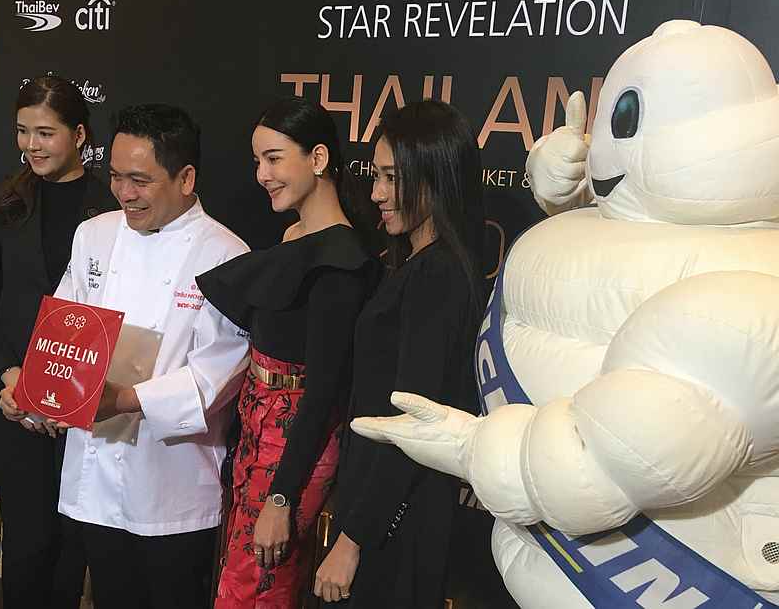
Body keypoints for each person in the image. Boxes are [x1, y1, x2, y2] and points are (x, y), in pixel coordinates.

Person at [37, 103, 249, 609]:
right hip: (93, 474)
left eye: (140, 180)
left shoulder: (225, 255)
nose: (124, 193)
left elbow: (216, 377)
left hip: (171, 483)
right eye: (115, 176)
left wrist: (125, 399)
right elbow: (65, 328)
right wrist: (38, 387)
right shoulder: (94, 235)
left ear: (186, 178)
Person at [196, 98, 379, 608]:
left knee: (256, 589)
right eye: (258, 161)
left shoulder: (341, 263)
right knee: (242, 581)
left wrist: (282, 497)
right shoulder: (295, 234)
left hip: (293, 446)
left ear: (318, 158)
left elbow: (324, 393)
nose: (262, 174)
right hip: (256, 428)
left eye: (274, 159)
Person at [0, 76, 116, 608]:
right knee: (27, 541)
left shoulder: (113, 205)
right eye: (23, 132)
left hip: (88, 407)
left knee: (73, 544)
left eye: (45, 132)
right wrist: (12, 377)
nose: (31, 145)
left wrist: (76, 391)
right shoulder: (5, 202)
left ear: (79, 135)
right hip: (12, 402)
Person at [313, 100, 485, 606]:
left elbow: (413, 424)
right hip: (387, 510)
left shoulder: (438, 276)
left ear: (435, 176)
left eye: (392, 178)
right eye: (377, 176)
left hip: (398, 521)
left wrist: (353, 540)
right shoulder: (422, 265)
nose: (377, 193)